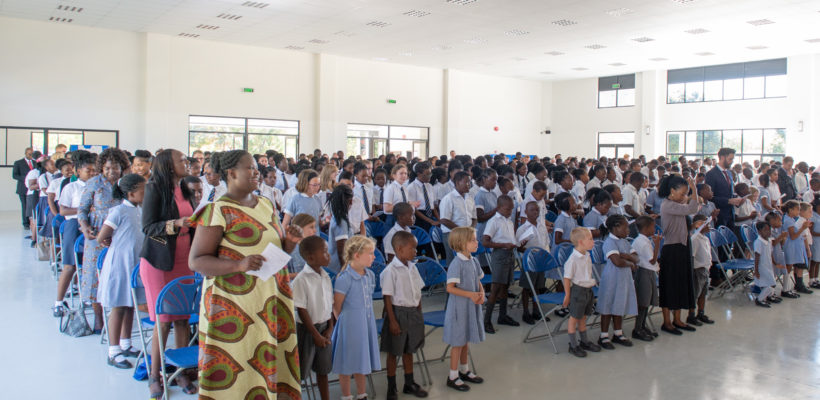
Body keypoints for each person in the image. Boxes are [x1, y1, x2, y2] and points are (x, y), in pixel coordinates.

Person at [189, 150, 303, 399]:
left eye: (255, 168)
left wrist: (290, 244)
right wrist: (238, 265)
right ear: (231, 173)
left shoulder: (265, 204)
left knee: (267, 362)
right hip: (235, 305)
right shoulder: (217, 210)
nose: (256, 173)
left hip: (269, 299)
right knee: (239, 367)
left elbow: (273, 251)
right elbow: (196, 261)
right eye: (250, 168)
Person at [139, 149, 198, 398]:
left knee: (183, 318)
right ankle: (155, 374)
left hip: (186, 258)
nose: (186, 163)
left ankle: (181, 371)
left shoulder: (185, 188)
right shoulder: (154, 189)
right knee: (163, 321)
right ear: (168, 165)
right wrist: (176, 224)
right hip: (160, 261)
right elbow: (148, 227)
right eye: (181, 160)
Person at [95, 173, 146, 369]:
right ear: (132, 193)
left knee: (130, 304)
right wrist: (109, 240)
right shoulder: (118, 211)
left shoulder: (140, 209)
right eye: (144, 190)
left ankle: (126, 343)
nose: (147, 193)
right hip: (119, 264)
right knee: (118, 307)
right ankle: (113, 350)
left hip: (134, 263)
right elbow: (102, 237)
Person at [79, 148, 130, 333]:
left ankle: (119, 317)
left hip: (120, 234)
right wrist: (85, 228)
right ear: (101, 168)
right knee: (95, 277)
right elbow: (82, 210)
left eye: (115, 168)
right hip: (96, 234)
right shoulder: (94, 183)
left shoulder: (126, 184)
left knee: (119, 275)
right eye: (107, 168)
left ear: (122, 167)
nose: (111, 172)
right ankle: (99, 318)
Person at [332, 236, 381, 400]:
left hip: (366, 323)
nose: (374, 257)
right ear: (357, 256)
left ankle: (362, 393)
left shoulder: (370, 275)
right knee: (346, 362)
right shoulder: (344, 278)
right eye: (370, 253)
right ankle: (346, 395)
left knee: (362, 359)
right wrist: (344, 324)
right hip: (350, 326)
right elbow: (337, 306)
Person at [380, 231, 428, 400]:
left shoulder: (412, 267)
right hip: (397, 314)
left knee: (409, 350)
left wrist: (419, 312)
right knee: (394, 352)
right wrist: (392, 321)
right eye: (412, 248)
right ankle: (391, 387)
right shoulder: (390, 271)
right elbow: (387, 298)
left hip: (413, 312)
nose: (415, 251)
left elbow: (418, 291)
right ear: (399, 249)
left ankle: (409, 382)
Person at [53, 152, 96, 317]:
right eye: (88, 170)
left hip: (94, 224)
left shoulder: (99, 186)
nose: (92, 173)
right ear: (78, 171)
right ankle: (58, 301)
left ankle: (88, 297)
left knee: (90, 263)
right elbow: (63, 210)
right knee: (70, 265)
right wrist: (84, 210)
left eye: (94, 170)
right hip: (74, 224)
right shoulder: (71, 187)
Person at [442, 226, 484, 392]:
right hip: (459, 309)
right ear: (461, 243)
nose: (476, 242)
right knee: (458, 342)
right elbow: (450, 288)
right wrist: (470, 294)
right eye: (473, 240)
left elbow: (478, 279)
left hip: (470, 306)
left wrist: (481, 292)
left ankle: (464, 370)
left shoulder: (473, 260)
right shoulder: (456, 263)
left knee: (465, 339)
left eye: (476, 239)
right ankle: (452, 376)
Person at [293, 236, 334, 400]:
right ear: (310, 257)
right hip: (307, 330)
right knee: (301, 372)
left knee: (323, 370)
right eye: (324, 251)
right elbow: (301, 310)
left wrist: (330, 328)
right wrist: (315, 335)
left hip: (324, 329)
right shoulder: (301, 280)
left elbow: (329, 306)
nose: (328, 254)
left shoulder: (326, 276)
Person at [658, 174, 700, 335]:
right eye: (682, 194)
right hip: (672, 248)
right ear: (672, 191)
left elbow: (689, 204)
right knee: (670, 285)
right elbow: (693, 208)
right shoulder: (667, 205)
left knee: (682, 283)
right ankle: (667, 321)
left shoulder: (675, 202)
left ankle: (678, 319)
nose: (684, 197)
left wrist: (688, 196)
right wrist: (694, 190)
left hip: (682, 246)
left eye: (686, 194)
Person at [481, 195, 523, 333]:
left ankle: (503, 315)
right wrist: (503, 244)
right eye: (507, 209)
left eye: (511, 209)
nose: (510, 212)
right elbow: (485, 241)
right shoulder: (493, 221)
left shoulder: (508, 221)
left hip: (509, 254)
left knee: (505, 286)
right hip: (499, 255)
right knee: (496, 287)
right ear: (499, 208)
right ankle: (486, 320)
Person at [596, 214, 639, 349]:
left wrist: (625, 256)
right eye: (626, 227)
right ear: (616, 227)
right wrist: (629, 262)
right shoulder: (610, 242)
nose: (628, 230)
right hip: (612, 279)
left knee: (619, 304)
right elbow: (617, 262)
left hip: (624, 279)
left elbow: (636, 258)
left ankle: (618, 333)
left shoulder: (624, 242)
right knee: (607, 306)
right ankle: (603, 336)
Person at [562, 227, 602, 357]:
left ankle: (584, 341)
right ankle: (573, 345)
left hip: (588, 290)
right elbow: (567, 278)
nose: (593, 241)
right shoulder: (572, 259)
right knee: (574, 318)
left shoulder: (587, 255)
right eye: (590, 239)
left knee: (583, 317)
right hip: (578, 291)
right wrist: (567, 295)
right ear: (580, 242)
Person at [517, 201, 551, 325]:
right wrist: (527, 249)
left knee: (538, 286)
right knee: (527, 287)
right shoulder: (523, 228)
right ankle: (526, 312)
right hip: (529, 261)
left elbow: (545, 242)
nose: (535, 212)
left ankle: (536, 310)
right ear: (526, 212)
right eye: (532, 210)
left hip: (540, 260)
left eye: (537, 210)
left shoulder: (541, 226)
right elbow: (518, 247)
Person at [439, 171, 477, 265]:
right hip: (452, 234)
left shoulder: (469, 198)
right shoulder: (449, 198)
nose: (469, 184)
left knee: (467, 261)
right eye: (467, 182)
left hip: (467, 234)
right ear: (457, 183)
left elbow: (474, 217)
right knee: (454, 263)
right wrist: (461, 231)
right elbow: (444, 220)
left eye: (470, 182)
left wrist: (471, 229)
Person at [704, 148, 744, 229]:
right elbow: (709, 197)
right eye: (730, 159)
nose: (732, 161)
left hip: (730, 213)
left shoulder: (729, 172)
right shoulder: (711, 174)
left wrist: (736, 200)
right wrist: (728, 201)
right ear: (722, 157)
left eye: (733, 159)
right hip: (719, 214)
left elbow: (728, 192)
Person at [688, 214, 715, 326]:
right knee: (695, 294)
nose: (709, 226)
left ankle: (701, 312)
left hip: (705, 268)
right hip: (697, 270)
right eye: (706, 224)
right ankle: (691, 315)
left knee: (703, 293)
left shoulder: (705, 238)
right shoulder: (695, 239)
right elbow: (692, 257)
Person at [782, 200, 813, 294]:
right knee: (788, 268)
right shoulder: (788, 221)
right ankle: (785, 289)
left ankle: (788, 289)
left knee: (790, 267)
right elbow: (793, 236)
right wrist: (803, 228)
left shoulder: (791, 219)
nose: (798, 212)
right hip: (790, 247)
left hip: (795, 246)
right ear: (790, 210)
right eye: (797, 210)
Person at [765, 211, 796, 298]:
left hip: (778, 254)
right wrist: (781, 237)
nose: (781, 223)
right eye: (779, 221)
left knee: (781, 272)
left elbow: (780, 244)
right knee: (772, 275)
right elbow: (773, 243)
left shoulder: (776, 230)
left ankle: (783, 290)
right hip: (773, 255)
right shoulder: (768, 231)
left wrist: (783, 239)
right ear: (772, 221)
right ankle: (770, 294)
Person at [328, 184, 355, 272]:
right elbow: (342, 251)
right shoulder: (341, 221)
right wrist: (345, 270)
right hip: (338, 267)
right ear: (350, 201)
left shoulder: (337, 215)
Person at [753, 221, 778, 307]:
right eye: (765, 230)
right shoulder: (758, 242)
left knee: (769, 283)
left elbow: (770, 253)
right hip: (762, 267)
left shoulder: (769, 241)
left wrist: (774, 263)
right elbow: (757, 257)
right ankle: (759, 299)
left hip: (769, 266)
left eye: (769, 229)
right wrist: (756, 270)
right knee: (771, 284)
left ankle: (767, 297)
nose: (768, 231)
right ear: (759, 231)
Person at [12, 147, 35, 229]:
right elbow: (14, 175)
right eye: (29, 154)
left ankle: (32, 221)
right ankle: (26, 223)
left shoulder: (35, 163)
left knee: (31, 205)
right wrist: (26, 178)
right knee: (25, 205)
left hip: (33, 188)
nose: (30, 156)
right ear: (25, 153)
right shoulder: (18, 163)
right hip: (23, 188)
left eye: (32, 154)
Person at [809, 200, 820, 289]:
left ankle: (816, 278)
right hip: (815, 241)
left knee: (818, 261)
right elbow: (811, 231)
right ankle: (811, 280)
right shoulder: (813, 217)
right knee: (814, 261)